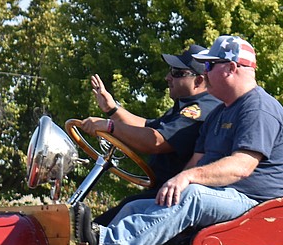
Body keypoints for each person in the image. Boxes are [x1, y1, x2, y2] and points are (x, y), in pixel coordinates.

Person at [79, 35, 283, 245]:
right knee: (138, 207)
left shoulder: (258, 108)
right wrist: (168, 189)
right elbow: (195, 162)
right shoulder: (219, 113)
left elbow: (242, 166)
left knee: (191, 194)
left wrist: (186, 178)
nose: (205, 73)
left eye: (210, 66)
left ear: (230, 68)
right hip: (223, 197)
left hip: (255, 205)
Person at [79, 44, 221, 219]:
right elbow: (148, 127)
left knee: (108, 224)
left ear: (199, 80)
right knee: (112, 216)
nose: (167, 77)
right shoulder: (186, 106)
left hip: (174, 197)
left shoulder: (200, 109)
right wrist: (112, 109)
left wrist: (110, 127)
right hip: (162, 191)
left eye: (177, 72)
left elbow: (156, 141)